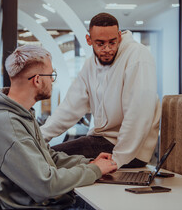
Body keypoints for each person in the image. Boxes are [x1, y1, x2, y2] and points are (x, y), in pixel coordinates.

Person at [0, 45, 117, 210]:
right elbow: (46, 185)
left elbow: (50, 159)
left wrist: (90, 163)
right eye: (51, 75)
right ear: (37, 80)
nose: (52, 80)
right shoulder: (7, 125)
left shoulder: (21, 115)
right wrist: (94, 170)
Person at [41, 12, 161, 169]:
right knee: (46, 157)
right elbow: (69, 109)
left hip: (130, 152)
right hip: (100, 141)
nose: (107, 49)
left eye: (112, 42)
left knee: (48, 160)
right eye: (100, 43)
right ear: (89, 40)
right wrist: (39, 137)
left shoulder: (137, 56)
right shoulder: (90, 65)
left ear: (119, 36)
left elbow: (138, 113)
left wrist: (117, 160)